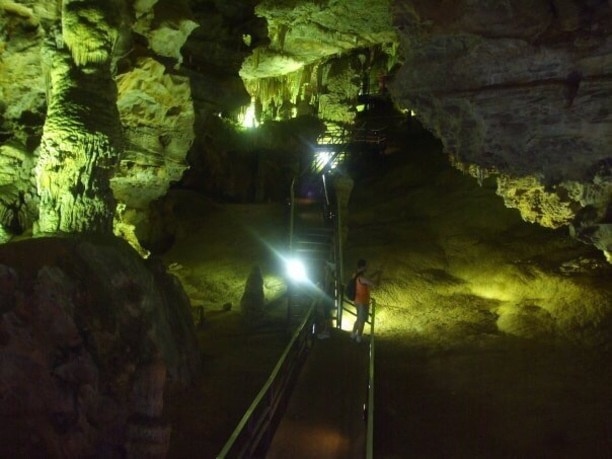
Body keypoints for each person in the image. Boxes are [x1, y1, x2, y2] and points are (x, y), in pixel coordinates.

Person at [350, 259, 381, 343]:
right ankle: (359, 337)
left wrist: (375, 273)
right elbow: (375, 285)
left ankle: (353, 334)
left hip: (357, 300)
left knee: (358, 318)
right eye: (366, 266)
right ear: (363, 267)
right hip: (362, 302)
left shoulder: (355, 275)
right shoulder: (362, 278)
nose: (367, 267)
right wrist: (379, 275)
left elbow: (368, 278)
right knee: (362, 320)